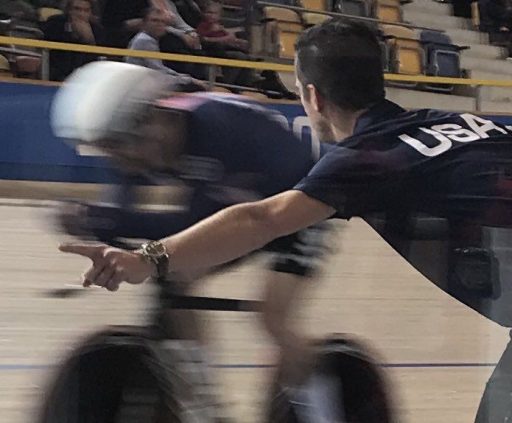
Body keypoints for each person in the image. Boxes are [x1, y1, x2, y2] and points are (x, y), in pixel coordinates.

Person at [57, 19, 512, 421]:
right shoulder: (462, 123)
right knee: (181, 281)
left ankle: (321, 412)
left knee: (273, 318)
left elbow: (259, 219)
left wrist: (144, 256)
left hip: (291, 216)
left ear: (311, 96)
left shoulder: (364, 159)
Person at [126, 6, 195, 82]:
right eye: (155, 21)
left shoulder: (152, 38)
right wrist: (190, 80)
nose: (159, 24)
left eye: (163, 22)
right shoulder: (145, 40)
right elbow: (158, 72)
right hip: (141, 84)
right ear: (144, 23)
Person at [42, 0, 104, 81]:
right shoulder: (55, 22)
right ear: (69, 10)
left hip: (86, 76)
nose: (81, 14)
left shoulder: (97, 29)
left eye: (86, 10)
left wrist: (89, 40)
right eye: (77, 9)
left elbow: (99, 56)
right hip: (57, 72)